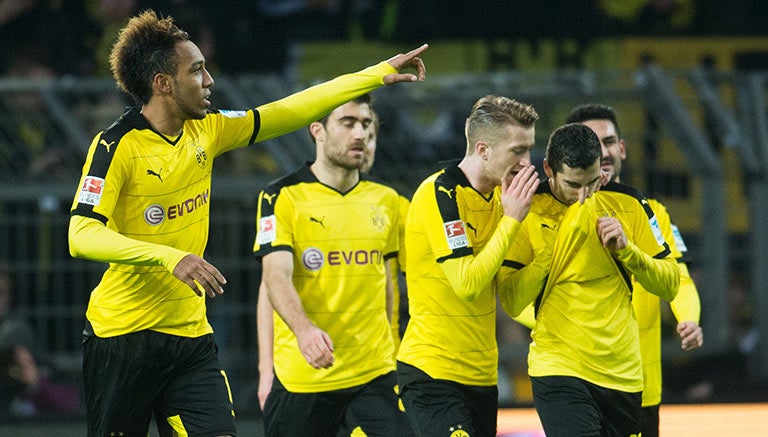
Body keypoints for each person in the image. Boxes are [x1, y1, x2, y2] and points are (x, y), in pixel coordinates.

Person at [67, 9, 428, 437]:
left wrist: (374, 75)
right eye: (197, 71)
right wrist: (169, 258)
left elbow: (289, 110)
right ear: (163, 83)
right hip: (121, 336)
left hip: (189, 337)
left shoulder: (209, 130)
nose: (210, 81)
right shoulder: (116, 145)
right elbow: (81, 235)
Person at [498, 123, 681, 436]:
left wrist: (629, 252)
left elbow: (670, 284)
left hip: (621, 374)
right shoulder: (527, 210)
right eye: (572, 184)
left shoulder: (630, 204)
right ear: (548, 169)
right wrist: (550, 255)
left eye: (592, 182)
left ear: (603, 172)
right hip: (559, 368)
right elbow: (512, 300)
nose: (582, 195)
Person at [253, 93, 412, 436]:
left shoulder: (388, 201)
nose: (360, 134)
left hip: (373, 376)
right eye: (348, 122)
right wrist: (293, 342)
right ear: (317, 131)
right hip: (303, 377)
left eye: (366, 124)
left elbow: (390, 283)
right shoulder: (281, 196)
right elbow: (274, 280)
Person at [396, 95, 541, 437]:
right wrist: (512, 221)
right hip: (433, 373)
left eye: (529, 149)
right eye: (517, 151)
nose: (526, 162)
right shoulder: (440, 193)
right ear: (483, 149)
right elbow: (466, 283)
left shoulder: (501, 199)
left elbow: (512, 297)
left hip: (482, 377)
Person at [565, 103, 703, 437]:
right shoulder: (558, 215)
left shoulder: (653, 212)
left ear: (622, 148)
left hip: (642, 384)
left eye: (609, 141)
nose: (604, 151)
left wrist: (689, 318)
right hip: (580, 379)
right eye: (592, 143)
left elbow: (678, 277)